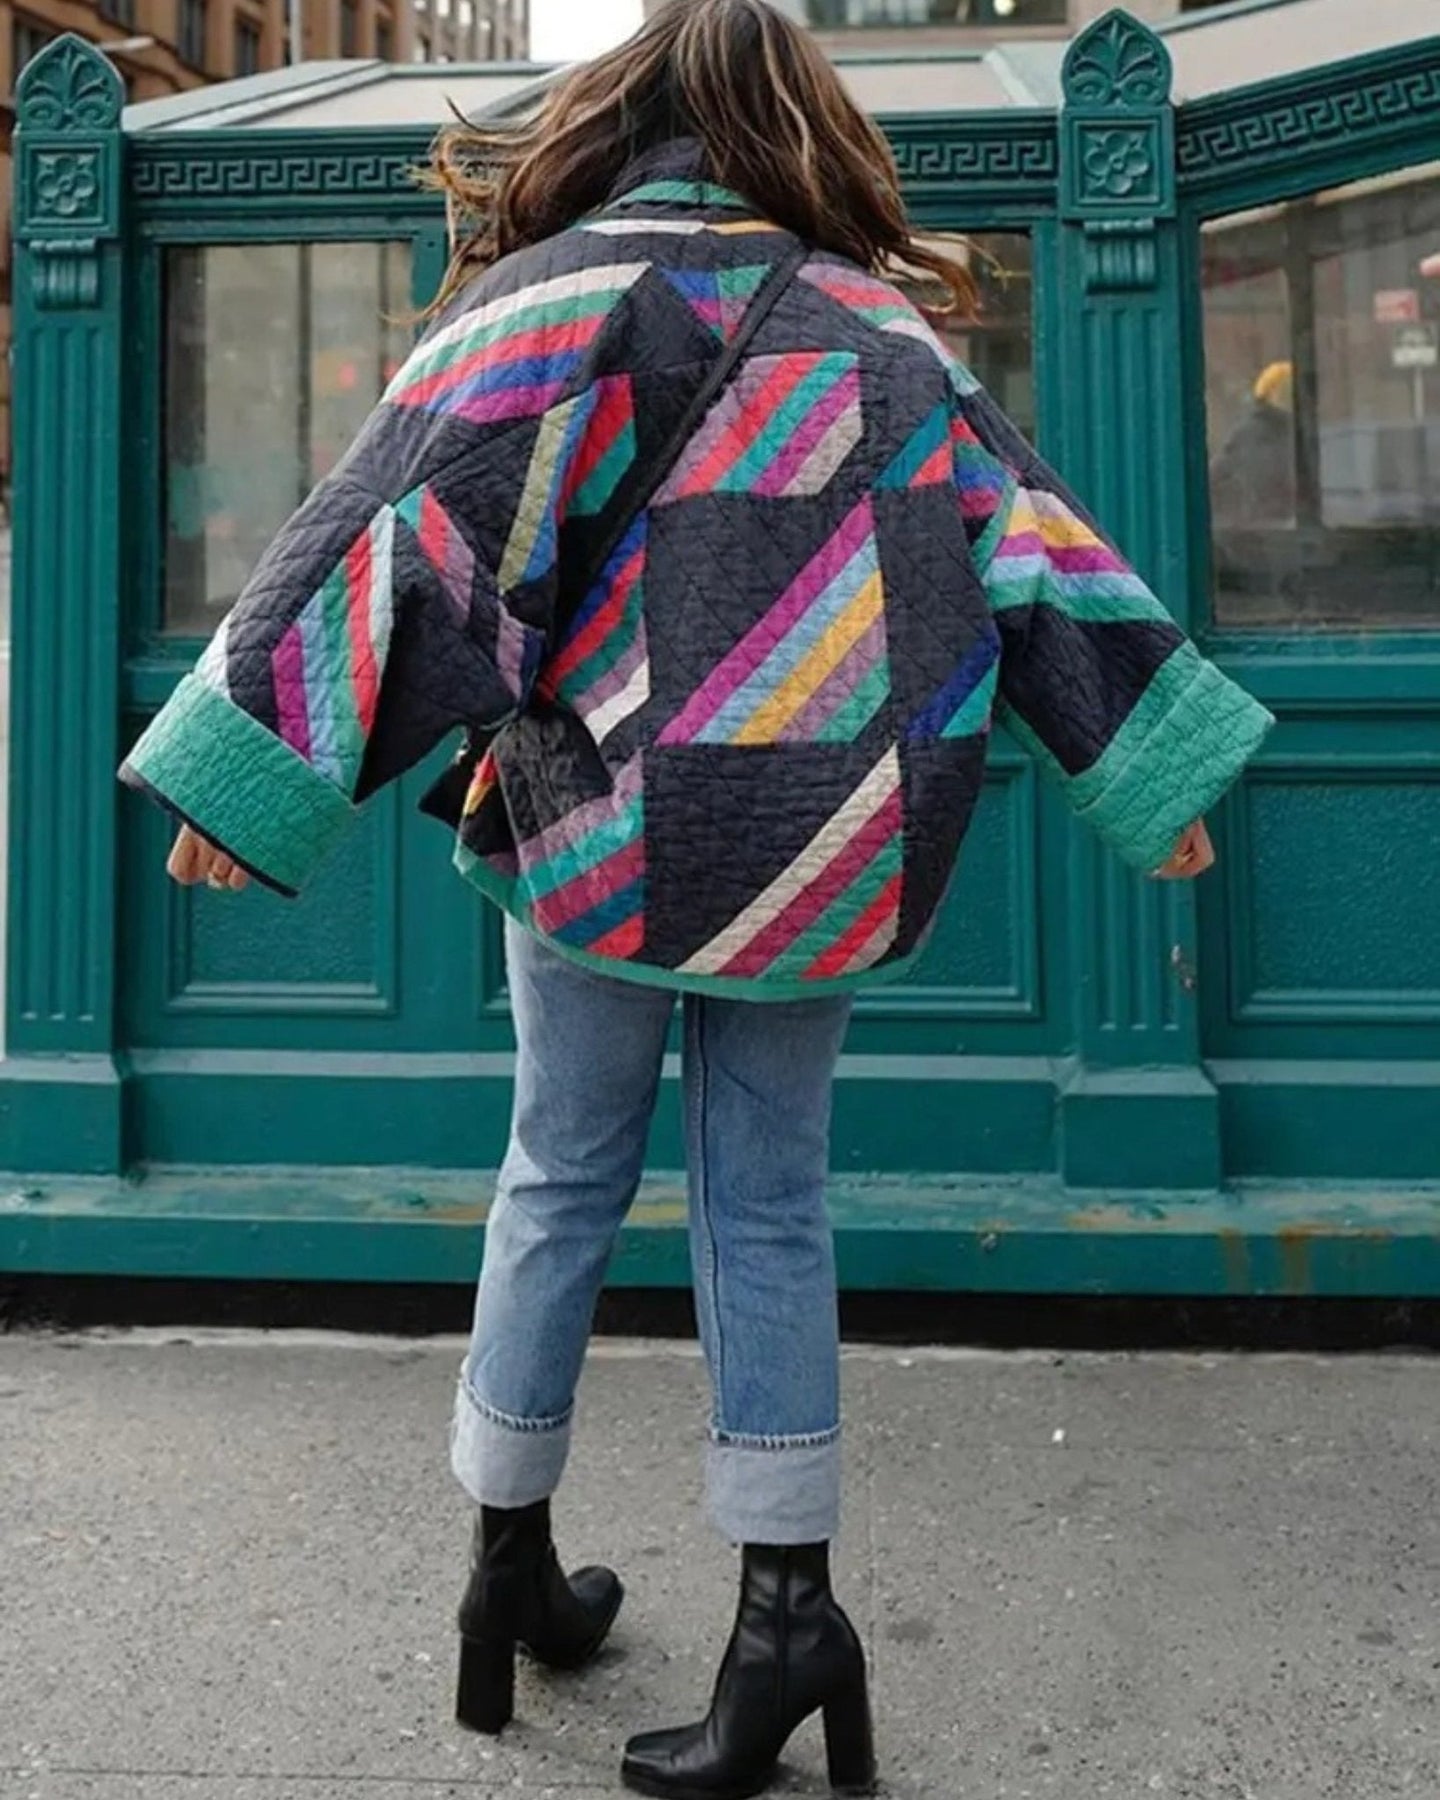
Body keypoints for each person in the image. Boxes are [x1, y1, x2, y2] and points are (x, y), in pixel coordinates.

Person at [121, 1, 1274, 1793]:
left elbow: (398, 524)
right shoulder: (879, 327)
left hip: (597, 830)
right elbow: (1029, 543)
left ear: (626, 110)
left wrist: (245, 772)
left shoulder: (547, 301)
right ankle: (788, 1619)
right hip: (817, 845)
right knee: (771, 1205)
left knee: (556, 1174)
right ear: (801, 122)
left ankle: (504, 1566)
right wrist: (1152, 773)